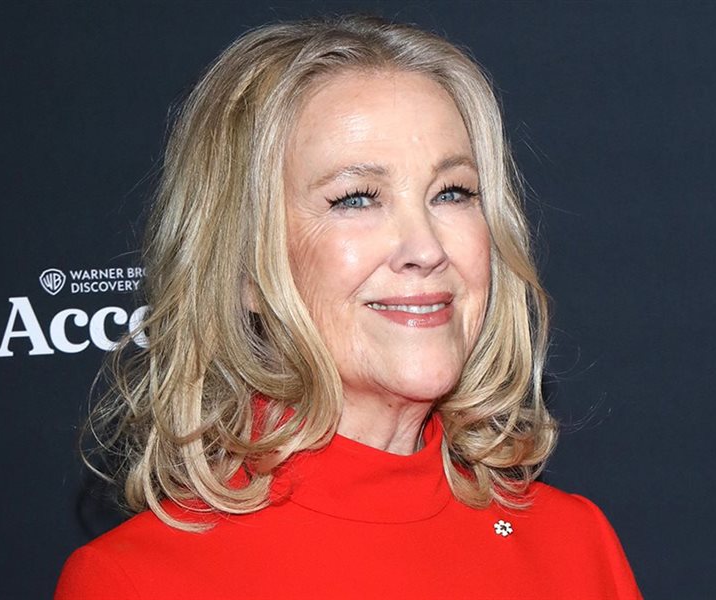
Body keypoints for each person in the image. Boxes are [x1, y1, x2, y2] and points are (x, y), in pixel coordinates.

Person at [56, 15, 642, 599]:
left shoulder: (574, 543)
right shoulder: (136, 582)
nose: (426, 249)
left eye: (452, 192)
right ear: (243, 270)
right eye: (357, 199)